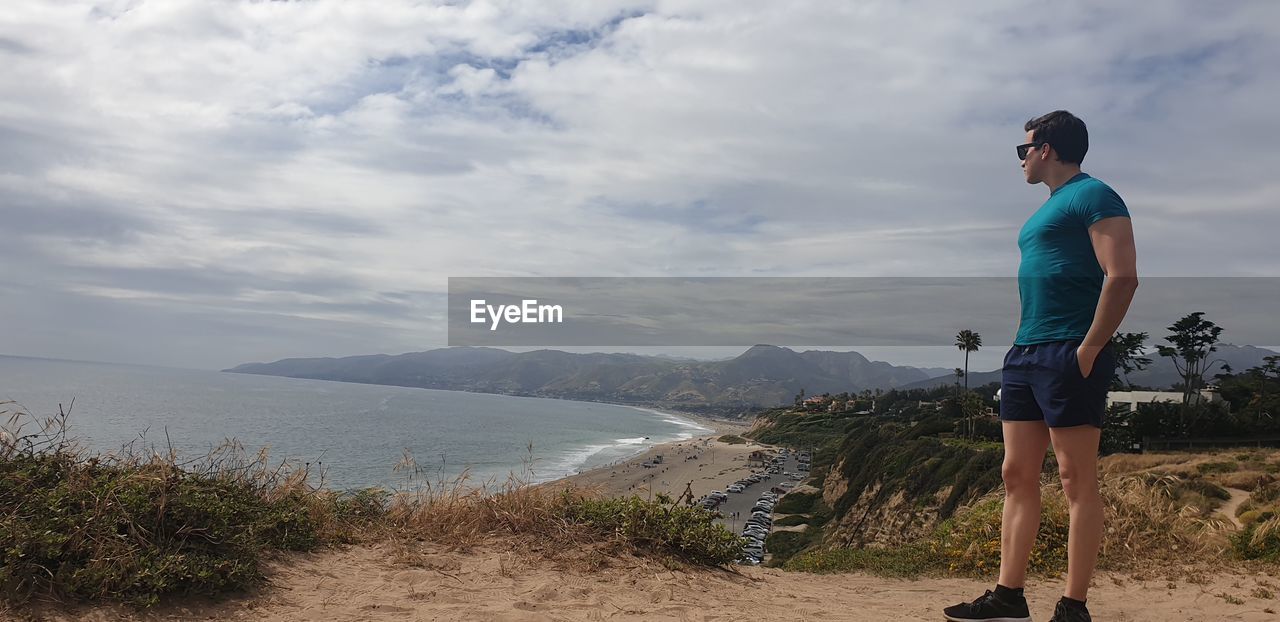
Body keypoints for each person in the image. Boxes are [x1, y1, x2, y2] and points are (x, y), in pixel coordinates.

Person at [943, 111, 1138, 622]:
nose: (1021, 159)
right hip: (1026, 352)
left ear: (1046, 149)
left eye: (1022, 149)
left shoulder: (1096, 195)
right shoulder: (1046, 210)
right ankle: (1009, 596)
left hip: (1069, 349)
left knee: (1076, 479)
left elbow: (1122, 277)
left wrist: (1090, 348)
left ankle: (1074, 606)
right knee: (1015, 474)